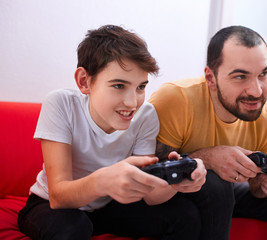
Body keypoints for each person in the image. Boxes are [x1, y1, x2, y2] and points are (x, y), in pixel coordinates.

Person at [17, 24, 207, 240]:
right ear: (84, 81)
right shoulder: (61, 104)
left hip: (108, 204)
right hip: (51, 205)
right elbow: (59, 196)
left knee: (185, 216)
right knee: (72, 228)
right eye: (118, 85)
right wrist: (105, 179)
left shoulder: (145, 115)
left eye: (141, 87)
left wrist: (177, 181)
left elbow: (150, 196)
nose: (132, 102)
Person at [149, 25, 267, 240]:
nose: (256, 91)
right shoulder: (175, 99)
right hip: (177, 195)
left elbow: (256, 188)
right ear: (211, 78)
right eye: (240, 77)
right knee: (216, 184)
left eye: (263, 74)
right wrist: (208, 158)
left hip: (228, 194)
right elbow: (151, 174)